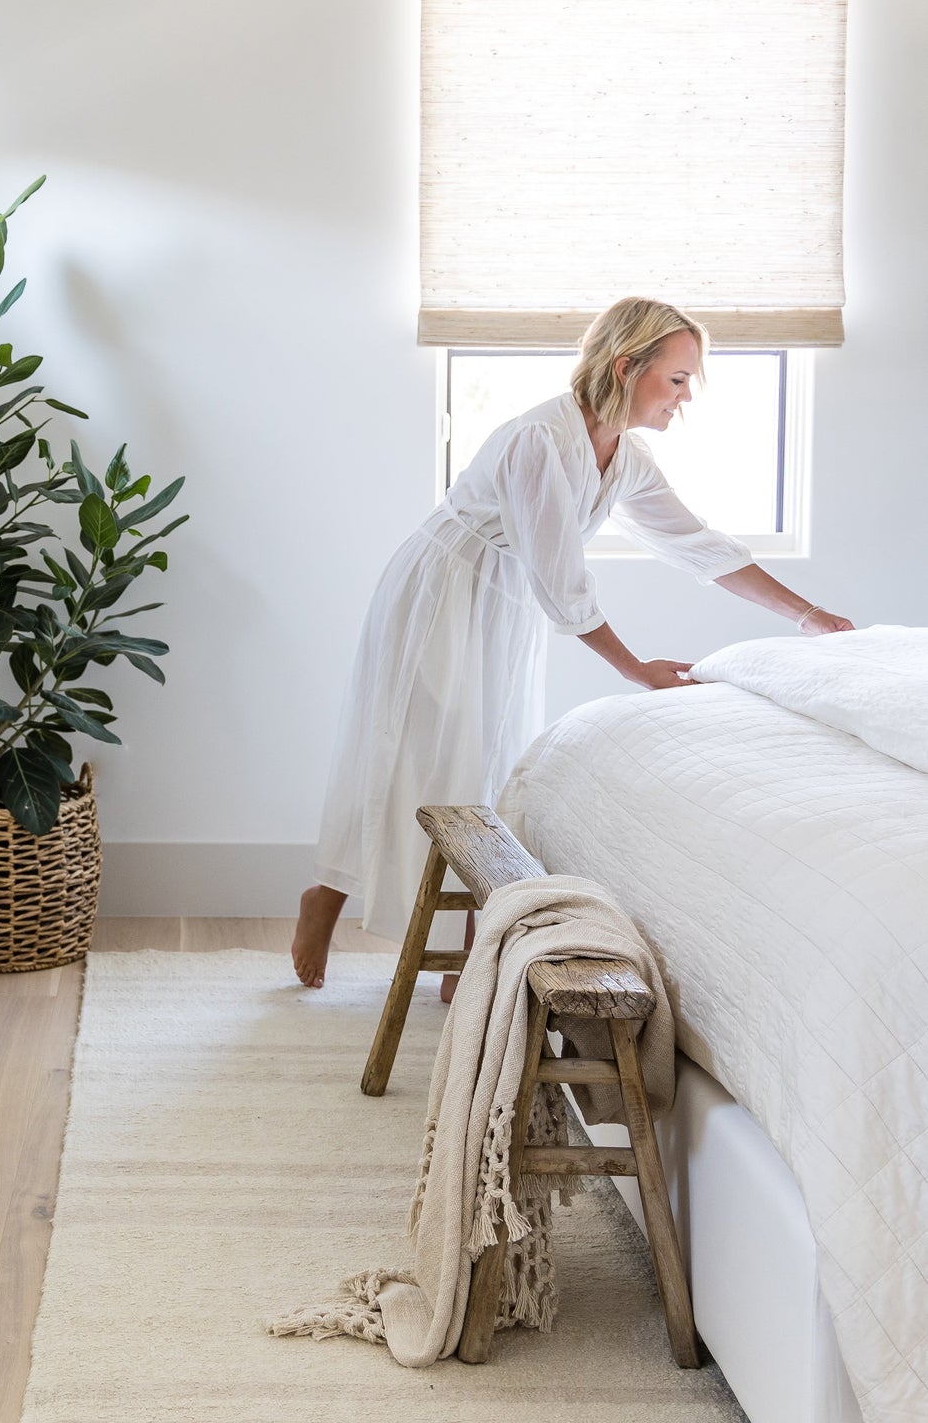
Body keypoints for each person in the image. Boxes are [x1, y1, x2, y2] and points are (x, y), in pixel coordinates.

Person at [292, 296, 853, 990]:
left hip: (503, 600)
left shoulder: (626, 458)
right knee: (408, 746)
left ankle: (469, 947)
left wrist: (807, 615)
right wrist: (637, 669)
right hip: (444, 587)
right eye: (676, 379)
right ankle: (327, 893)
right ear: (625, 367)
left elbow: (699, 545)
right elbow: (561, 581)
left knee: (490, 764)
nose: (684, 397)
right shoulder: (539, 441)